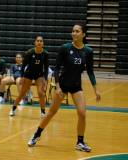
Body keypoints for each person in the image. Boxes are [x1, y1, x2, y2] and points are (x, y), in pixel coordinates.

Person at [27, 23, 101, 152]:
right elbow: (56, 69)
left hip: (76, 86)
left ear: (83, 34)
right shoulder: (65, 48)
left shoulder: (88, 51)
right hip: (63, 85)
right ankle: (36, 135)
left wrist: (96, 90)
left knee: (82, 113)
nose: (74, 33)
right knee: (51, 113)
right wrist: (58, 87)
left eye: (77, 31)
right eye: (73, 31)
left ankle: (80, 142)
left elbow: (90, 71)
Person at [9, 36, 49, 117]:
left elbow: (46, 67)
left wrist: (45, 78)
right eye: (37, 41)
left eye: (41, 41)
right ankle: (13, 109)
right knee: (22, 93)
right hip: (29, 74)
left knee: (41, 93)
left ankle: (43, 111)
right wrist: (22, 76)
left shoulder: (45, 54)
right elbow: (23, 65)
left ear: (43, 43)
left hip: (39, 75)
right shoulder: (29, 52)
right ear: (35, 42)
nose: (39, 42)